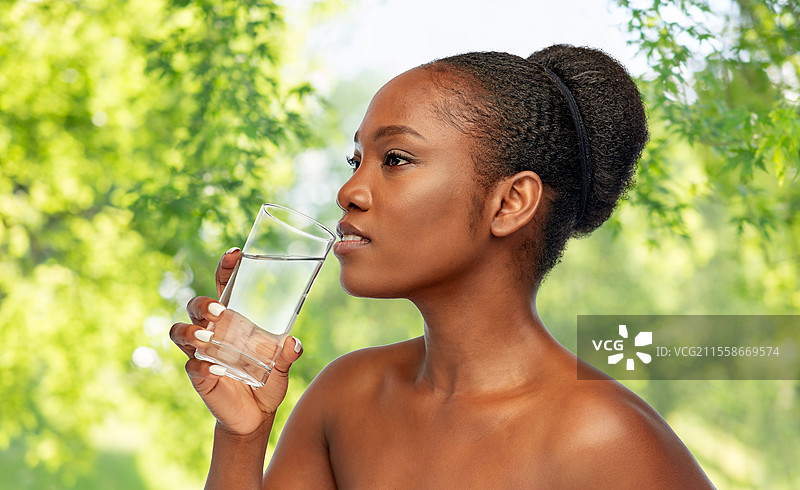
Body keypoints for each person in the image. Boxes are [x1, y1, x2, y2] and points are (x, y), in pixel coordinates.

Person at [171, 45, 715, 488]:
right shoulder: (346, 397)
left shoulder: (606, 441)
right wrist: (243, 435)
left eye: (396, 160)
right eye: (356, 160)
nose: (348, 191)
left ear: (510, 203)